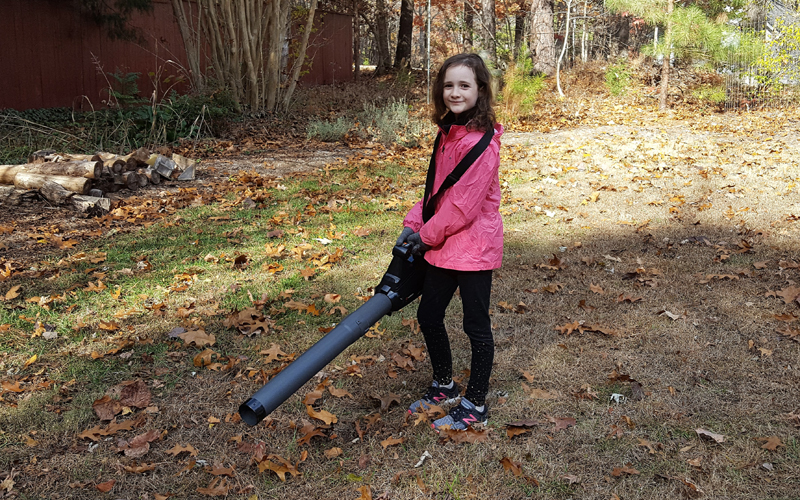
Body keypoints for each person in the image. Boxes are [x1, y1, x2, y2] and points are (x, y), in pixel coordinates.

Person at [397, 53, 503, 431]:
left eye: (464, 85)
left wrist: (424, 237)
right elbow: (437, 193)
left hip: (473, 248)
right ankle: (444, 385)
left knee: (476, 326)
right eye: (448, 85)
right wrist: (413, 223)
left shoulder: (481, 144)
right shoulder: (448, 134)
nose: (455, 93)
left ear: (480, 90)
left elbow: (462, 207)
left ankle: (475, 404)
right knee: (428, 315)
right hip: (443, 245)